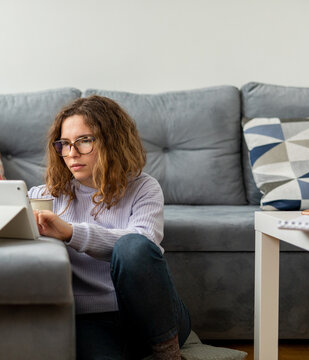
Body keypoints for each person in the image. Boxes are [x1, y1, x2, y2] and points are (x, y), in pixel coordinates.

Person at [28, 95, 191, 360]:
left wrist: (71, 232)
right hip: (90, 321)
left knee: (133, 246)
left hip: (154, 319)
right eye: (65, 144)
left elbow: (144, 244)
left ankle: (169, 355)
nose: (72, 154)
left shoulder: (143, 187)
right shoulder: (43, 197)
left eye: (84, 141)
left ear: (112, 141)